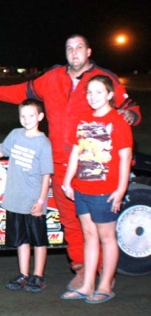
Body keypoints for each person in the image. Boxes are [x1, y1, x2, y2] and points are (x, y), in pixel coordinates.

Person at [0, 34, 141, 290]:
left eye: (79, 47)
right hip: (59, 163)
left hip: (94, 165)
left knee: (99, 226)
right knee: (71, 222)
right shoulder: (52, 77)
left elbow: (129, 105)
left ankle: (103, 276)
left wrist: (130, 115)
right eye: (69, 48)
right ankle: (81, 270)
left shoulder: (103, 78)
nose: (74, 52)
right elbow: (22, 91)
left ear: (89, 51)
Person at [60, 75, 132, 303]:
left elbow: (125, 158)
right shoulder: (83, 120)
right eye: (89, 92)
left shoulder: (117, 121)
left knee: (107, 238)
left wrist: (120, 190)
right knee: (89, 236)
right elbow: (76, 152)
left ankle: (105, 285)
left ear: (110, 95)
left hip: (105, 191)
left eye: (99, 92)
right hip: (82, 189)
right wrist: (68, 180)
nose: (93, 97)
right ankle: (87, 285)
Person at [0, 99, 53, 293]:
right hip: (15, 199)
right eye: (23, 116)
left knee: (38, 240)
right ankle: (24, 275)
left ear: (40, 117)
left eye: (31, 115)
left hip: (33, 200)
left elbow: (46, 176)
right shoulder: (16, 135)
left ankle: (38, 276)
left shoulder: (43, 143)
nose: (27, 119)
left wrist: (41, 201)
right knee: (21, 240)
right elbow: (0, 152)